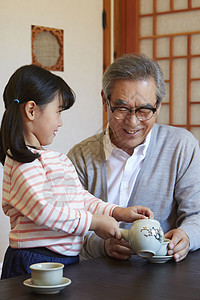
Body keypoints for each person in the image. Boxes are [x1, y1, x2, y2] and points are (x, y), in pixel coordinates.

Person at [0, 64, 153, 279]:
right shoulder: (22, 161)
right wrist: (93, 222)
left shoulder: (55, 159)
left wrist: (116, 212)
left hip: (68, 261)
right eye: (58, 112)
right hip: (34, 262)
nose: (60, 122)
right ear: (32, 110)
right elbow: (44, 210)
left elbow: (79, 198)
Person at [68, 53, 200, 263]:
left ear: (158, 106)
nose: (132, 122)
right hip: (95, 279)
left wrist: (187, 236)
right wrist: (103, 245)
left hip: (162, 277)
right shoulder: (81, 157)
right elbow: (69, 225)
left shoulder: (181, 147)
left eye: (144, 110)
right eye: (121, 108)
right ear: (105, 100)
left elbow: (196, 214)